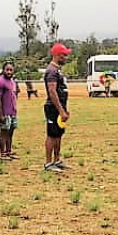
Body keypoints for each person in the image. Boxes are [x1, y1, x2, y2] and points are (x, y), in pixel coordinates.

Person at [44, 43, 72, 173]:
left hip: (60, 107)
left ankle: (57, 160)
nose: (66, 57)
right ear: (56, 55)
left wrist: (64, 109)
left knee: (59, 134)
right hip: (53, 108)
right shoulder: (51, 71)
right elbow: (52, 92)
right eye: (64, 55)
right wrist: (60, 110)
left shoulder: (57, 70)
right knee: (52, 134)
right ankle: (48, 163)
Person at [0, 61, 19, 161]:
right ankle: (2, 154)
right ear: (3, 70)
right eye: (7, 70)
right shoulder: (0, 82)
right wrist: (0, 114)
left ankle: (9, 152)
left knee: (11, 132)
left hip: (12, 112)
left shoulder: (12, 81)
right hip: (5, 112)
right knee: (4, 132)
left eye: (11, 70)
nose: (9, 72)